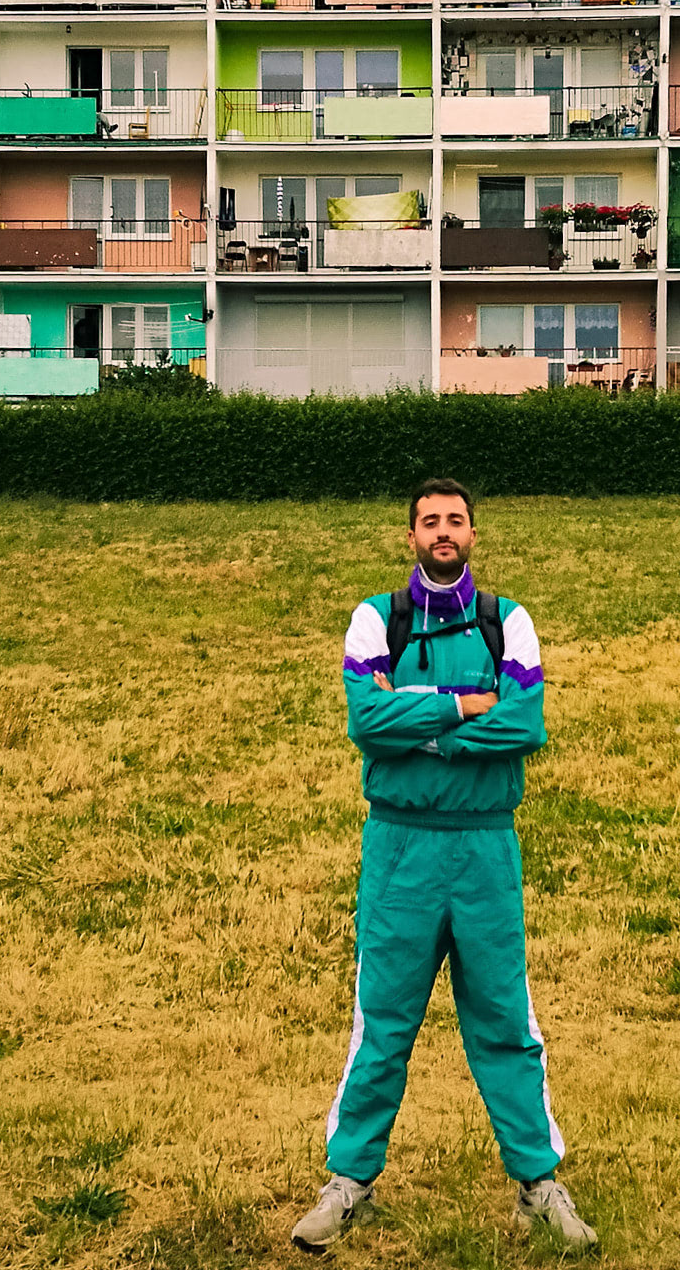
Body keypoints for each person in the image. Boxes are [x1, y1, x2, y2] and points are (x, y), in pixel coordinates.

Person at [291, 479, 597, 1253]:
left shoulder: (507, 619)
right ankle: (348, 1182)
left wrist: (416, 722)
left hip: (485, 846)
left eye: (454, 520)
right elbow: (366, 720)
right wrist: (462, 706)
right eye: (429, 521)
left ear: (472, 533)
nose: (442, 531)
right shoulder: (377, 618)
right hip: (399, 848)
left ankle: (538, 1184)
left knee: (505, 1022)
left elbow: (524, 725)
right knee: (382, 1021)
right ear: (410, 536)